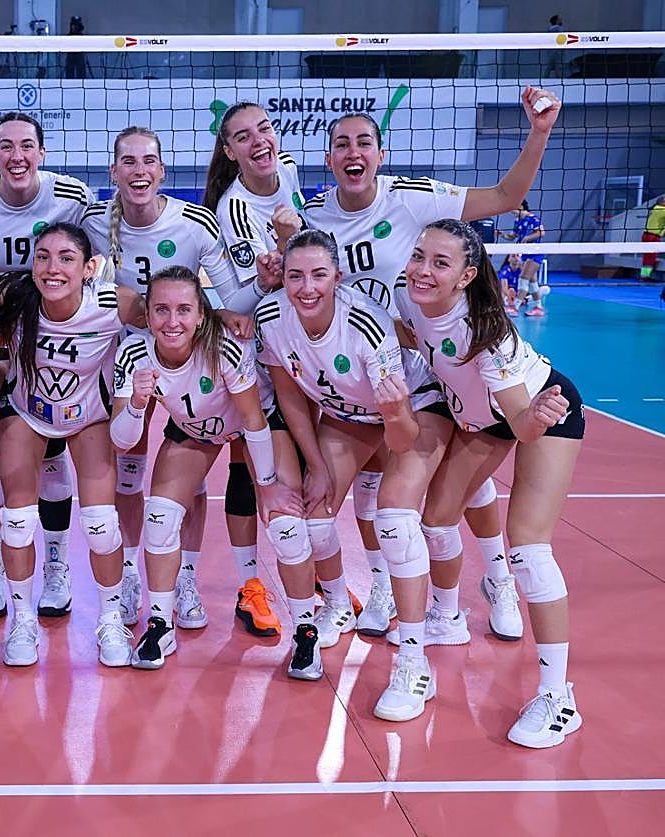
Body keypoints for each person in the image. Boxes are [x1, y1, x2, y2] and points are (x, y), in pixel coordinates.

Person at [302, 87, 558, 639]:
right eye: (342, 144)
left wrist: (539, 132)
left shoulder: (413, 199)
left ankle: (497, 580)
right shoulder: (314, 216)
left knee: (463, 486)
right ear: (329, 158)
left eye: (364, 142)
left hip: (425, 375)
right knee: (371, 494)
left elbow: (506, 196)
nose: (353, 152)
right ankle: (381, 589)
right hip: (358, 380)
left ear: (380, 153)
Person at [397, 219, 583, 748]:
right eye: (418, 256)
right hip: (483, 419)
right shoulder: (410, 300)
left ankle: (558, 698)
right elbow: (412, 334)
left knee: (529, 548)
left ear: (466, 276)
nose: (422, 270)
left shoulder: (486, 336)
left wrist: (538, 415)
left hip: (541, 409)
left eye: (440, 263)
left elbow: (520, 424)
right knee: (436, 521)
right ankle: (448, 616)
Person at [257, 230, 456, 712]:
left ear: (338, 277)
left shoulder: (366, 324)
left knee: (395, 521)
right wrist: (317, 464)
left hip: (413, 408)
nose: (306, 287)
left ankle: (414, 663)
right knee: (315, 513)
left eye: (318, 275)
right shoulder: (271, 316)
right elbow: (288, 392)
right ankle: (338, 605)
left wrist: (393, 417)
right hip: (347, 414)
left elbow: (400, 435)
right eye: (295, 276)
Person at [81, 125, 255, 632]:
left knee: (188, 473)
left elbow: (233, 295)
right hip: (120, 356)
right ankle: (131, 573)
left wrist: (229, 311)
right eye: (128, 162)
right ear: (114, 172)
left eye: (148, 161)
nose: (139, 171)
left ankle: (186, 578)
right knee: (127, 469)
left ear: (161, 170)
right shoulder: (92, 222)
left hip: (183, 355)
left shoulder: (194, 223)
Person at [110, 266, 303, 668]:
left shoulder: (224, 348)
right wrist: (137, 404)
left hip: (257, 424)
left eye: (184, 310)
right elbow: (122, 440)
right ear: (147, 315)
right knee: (160, 517)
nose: (172, 321)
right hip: (196, 429)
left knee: (285, 523)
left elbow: (253, 420)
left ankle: (306, 633)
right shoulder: (132, 353)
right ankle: (161, 625)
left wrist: (267, 485)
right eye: (161, 310)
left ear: (201, 315)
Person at [0, 113, 94, 623]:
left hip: (50, 326)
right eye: (6, 146)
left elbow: (102, 242)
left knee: (51, 444)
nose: (17, 156)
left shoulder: (72, 197)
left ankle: (56, 565)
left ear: (42, 152)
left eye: (27, 145)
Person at [0, 222, 146, 667]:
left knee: (101, 524)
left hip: (88, 416)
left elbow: (172, 316)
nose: (52, 268)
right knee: (17, 521)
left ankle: (110, 618)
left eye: (66, 258)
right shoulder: (15, 299)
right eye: (43, 257)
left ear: (90, 268)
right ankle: (22, 620)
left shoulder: (114, 303)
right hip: (27, 413)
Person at [203, 100, 306, 633]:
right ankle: (250, 586)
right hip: (258, 349)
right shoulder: (234, 210)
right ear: (229, 151)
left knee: (300, 467)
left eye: (263, 128)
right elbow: (244, 304)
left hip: (301, 344)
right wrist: (272, 272)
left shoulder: (288, 169)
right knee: (247, 467)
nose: (258, 140)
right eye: (242, 136)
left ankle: (317, 578)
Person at [501, 199, 548, 316]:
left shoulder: (533, 219)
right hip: (525, 252)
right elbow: (513, 236)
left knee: (523, 278)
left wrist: (527, 238)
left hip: (535, 252)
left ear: (520, 206)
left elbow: (541, 233)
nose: (510, 210)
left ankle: (515, 307)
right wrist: (502, 234)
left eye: (512, 207)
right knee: (532, 282)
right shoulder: (518, 220)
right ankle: (538, 307)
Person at [640, 194, 665, 280]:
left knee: (647, 257)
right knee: (650, 257)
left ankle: (644, 276)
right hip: (653, 236)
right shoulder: (662, 210)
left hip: (646, 235)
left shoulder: (655, 208)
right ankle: (645, 276)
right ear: (662, 202)